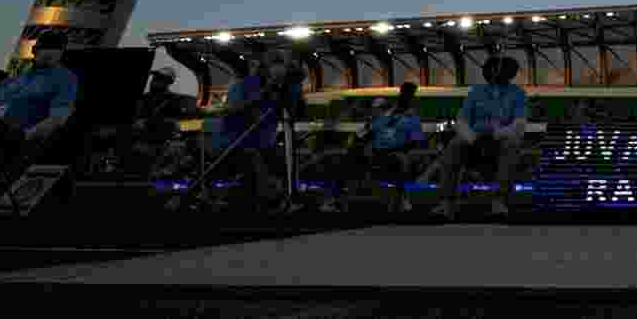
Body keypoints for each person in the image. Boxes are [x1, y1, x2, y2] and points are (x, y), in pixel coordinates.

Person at [431, 56, 527, 221]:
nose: (494, 72)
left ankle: (499, 201)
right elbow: (461, 120)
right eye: (492, 68)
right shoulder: (476, 92)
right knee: (453, 147)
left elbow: (518, 125)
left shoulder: (518, 94)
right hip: (473, 138)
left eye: (499, 69)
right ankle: (447, 202)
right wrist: (473, 139)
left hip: (501, 138)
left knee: (512, 146)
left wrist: (495, 135)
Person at [207, 49, 303, 213]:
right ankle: (262, 200)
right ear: (263, 68)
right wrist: (261, 95)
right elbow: (231, 110)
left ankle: (283, 197)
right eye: (273, 64)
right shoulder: (244, 85)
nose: (277, 68)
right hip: (236, 141)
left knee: (284, 159)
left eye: (281, 64)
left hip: (265, 143)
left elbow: (295, 113)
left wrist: (293, 88)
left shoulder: (287, 89)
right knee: (255, 160)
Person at [0, 32, 79, 190]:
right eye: (47, 47)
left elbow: (58, 118)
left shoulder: (64, 78)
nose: (51, 52)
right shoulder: (12, 81)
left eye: (57, 48)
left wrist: (26, 135)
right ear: (35, 50)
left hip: (19, 137)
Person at [325, 83, 425, 214]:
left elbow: (417, 142)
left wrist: (399, 150)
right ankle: (335, 200)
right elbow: (366, 133)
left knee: (397, 161)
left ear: (412, 99)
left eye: (408, 96)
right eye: (403, 94)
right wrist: (359, 143)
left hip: (394, 154)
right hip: (374, 153)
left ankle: (401, 198)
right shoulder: (384, 117)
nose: (404, 98)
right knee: (347, 158)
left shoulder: (412, 119)